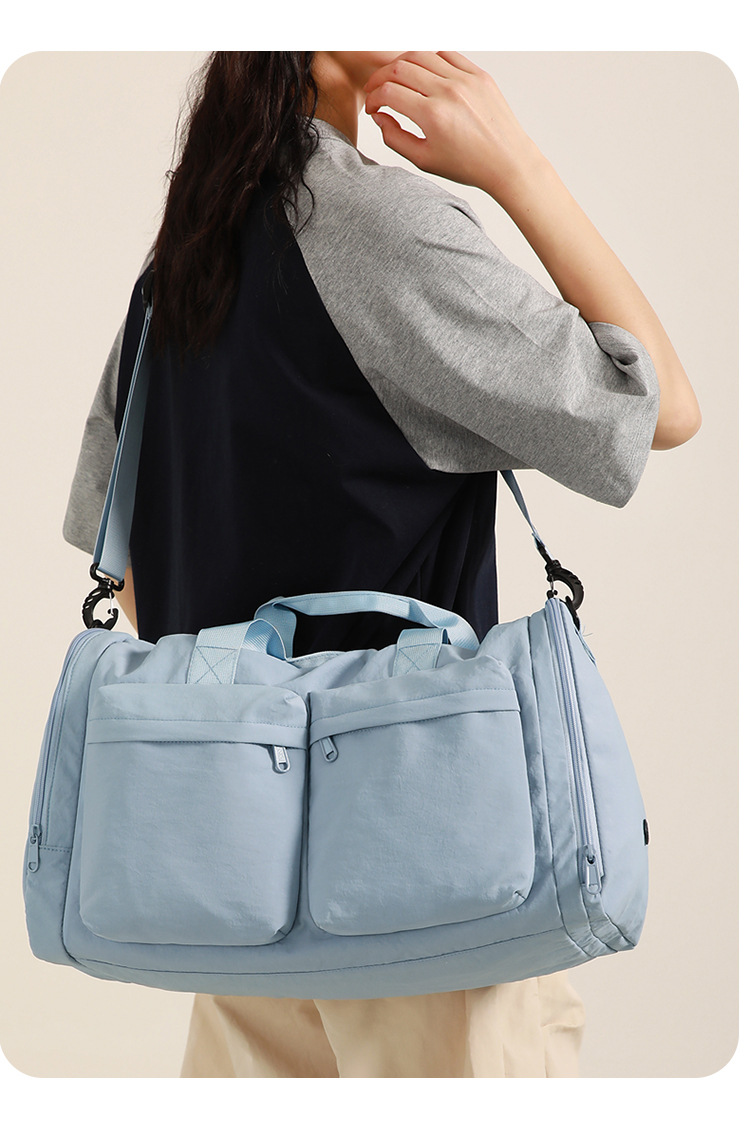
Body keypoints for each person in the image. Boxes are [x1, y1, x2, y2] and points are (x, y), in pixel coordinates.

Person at [62, 51, 701, 1078]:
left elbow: (129, 566)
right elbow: (659, 403)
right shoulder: (381, 227)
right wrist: (516, 165)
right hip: (430, 878)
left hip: (230, 899)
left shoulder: (178, 262)